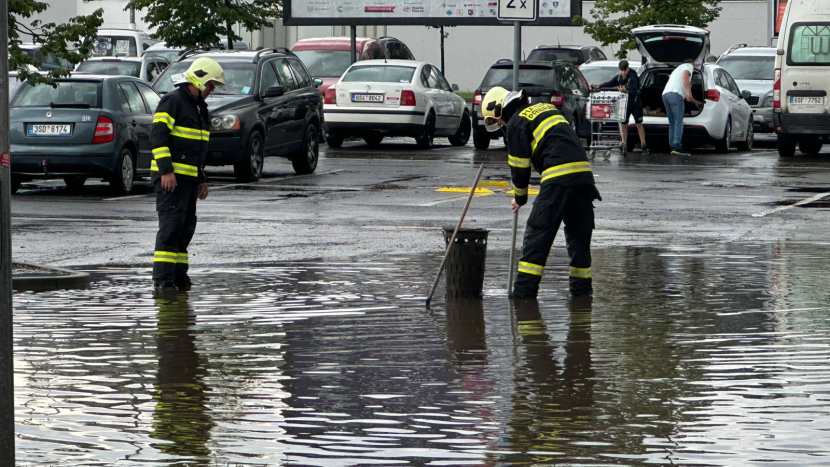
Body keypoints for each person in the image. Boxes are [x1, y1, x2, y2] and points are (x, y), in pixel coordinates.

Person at [481, 86, 601, 299]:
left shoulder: (516, 123)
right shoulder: (544, 108)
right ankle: (582, 298)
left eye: (496, 120)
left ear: (499, 109)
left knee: (537, 237)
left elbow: (519, 167)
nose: (499, 125)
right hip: (584, 179)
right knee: (579, 240)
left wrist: (520, 197)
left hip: (558, 179)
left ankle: (523, 297)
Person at [150, 57, 224, 293]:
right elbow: (158, 137)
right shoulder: (173, 101)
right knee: (171, 228)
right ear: (199, 79)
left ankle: (179, 277)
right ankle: (163, 281)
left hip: (189, 180)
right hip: (171, 180)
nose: (212, 90)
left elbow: (197, 147)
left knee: (185, 228)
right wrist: (167, 171)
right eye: (211, 85)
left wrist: (201, 178)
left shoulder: (199, 107)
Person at [592, 60, 648, 155]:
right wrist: (599, 86)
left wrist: (625, 90)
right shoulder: (619, 77)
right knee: (624, 124)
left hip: (635, 104)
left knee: (639, 124)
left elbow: (634, 91)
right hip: (625, 104)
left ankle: (643, 145)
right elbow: (610, 83)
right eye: (621, 70)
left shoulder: (632, 77)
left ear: (628, 68)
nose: (623, 73)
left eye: (624, 70)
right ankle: (624, 144)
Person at [661, 59, 703, 156]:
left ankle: (672, 145)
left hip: (665, 95)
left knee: (672, 123)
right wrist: (689, 92)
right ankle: (677, 146)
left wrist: (694, 101)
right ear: (691, 63)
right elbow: (685, 76)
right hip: (676, 95)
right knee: (678, 122)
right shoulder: (688, 66)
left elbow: (687, 96)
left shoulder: (676, 70)